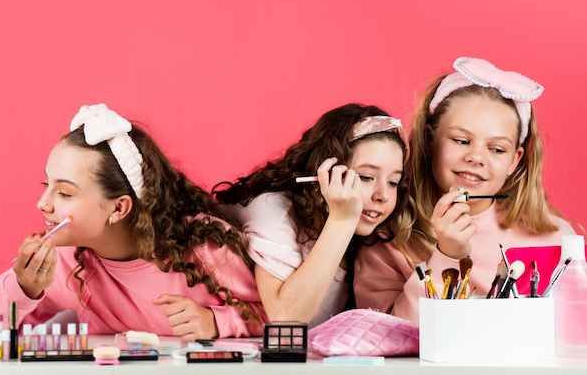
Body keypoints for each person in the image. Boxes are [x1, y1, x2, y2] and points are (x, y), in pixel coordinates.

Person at [0, 103, 267, 341]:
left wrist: (216, 322)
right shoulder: (68, 262)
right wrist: (23, 288)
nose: (42, 204)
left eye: (65, 193)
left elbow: (282, 316)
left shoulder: (204, 248)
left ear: (119, 208)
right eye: (46, 186)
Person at [354, 57, 576, 322]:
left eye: (496, 149)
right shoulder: (387, 240)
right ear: (429, 138)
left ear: (514, 161)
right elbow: (389, 339)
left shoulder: (556, 237)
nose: (476, 157)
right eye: (461, 140)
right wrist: (445, 255)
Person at [213, 103, 414, 327]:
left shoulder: (366, 239)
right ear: (325, 172)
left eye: (393, 181)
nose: (383, 195)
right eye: (366, 177)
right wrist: (341, 221)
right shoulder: (274, 211)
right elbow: (287, 319)